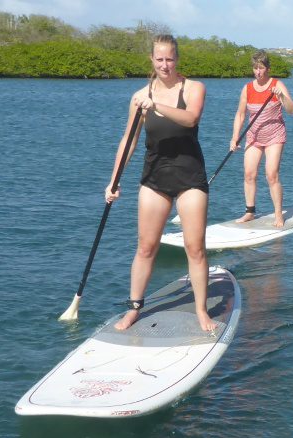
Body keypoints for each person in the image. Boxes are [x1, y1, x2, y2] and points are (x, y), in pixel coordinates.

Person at [106, 34, 216, 332]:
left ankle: (201, 311)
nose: (165, 65)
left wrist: (154, 105)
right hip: (154, 178)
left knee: (195, 248)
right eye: (159, 59)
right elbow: (128, 143)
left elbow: (191, 118)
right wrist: (114, 181)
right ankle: (133, 309)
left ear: (177, 59)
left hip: (190, 177)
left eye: (170, 59)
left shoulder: (193, 88)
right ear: (151, 60)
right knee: (146, 247)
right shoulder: (139, 97)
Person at [230, 50, 293, 228]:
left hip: (275, 135)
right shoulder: (247, 88)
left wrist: (281, 96)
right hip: (254, 135)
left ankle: (278, 215)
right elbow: (241, 114)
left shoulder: (277, 84)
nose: (258, 72)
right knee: (249, 174)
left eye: (261, 68)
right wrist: (234, 137)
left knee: (271, 174)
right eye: (255, 68)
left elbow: (292, 110)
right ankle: (250, 212)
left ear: (267, 68)